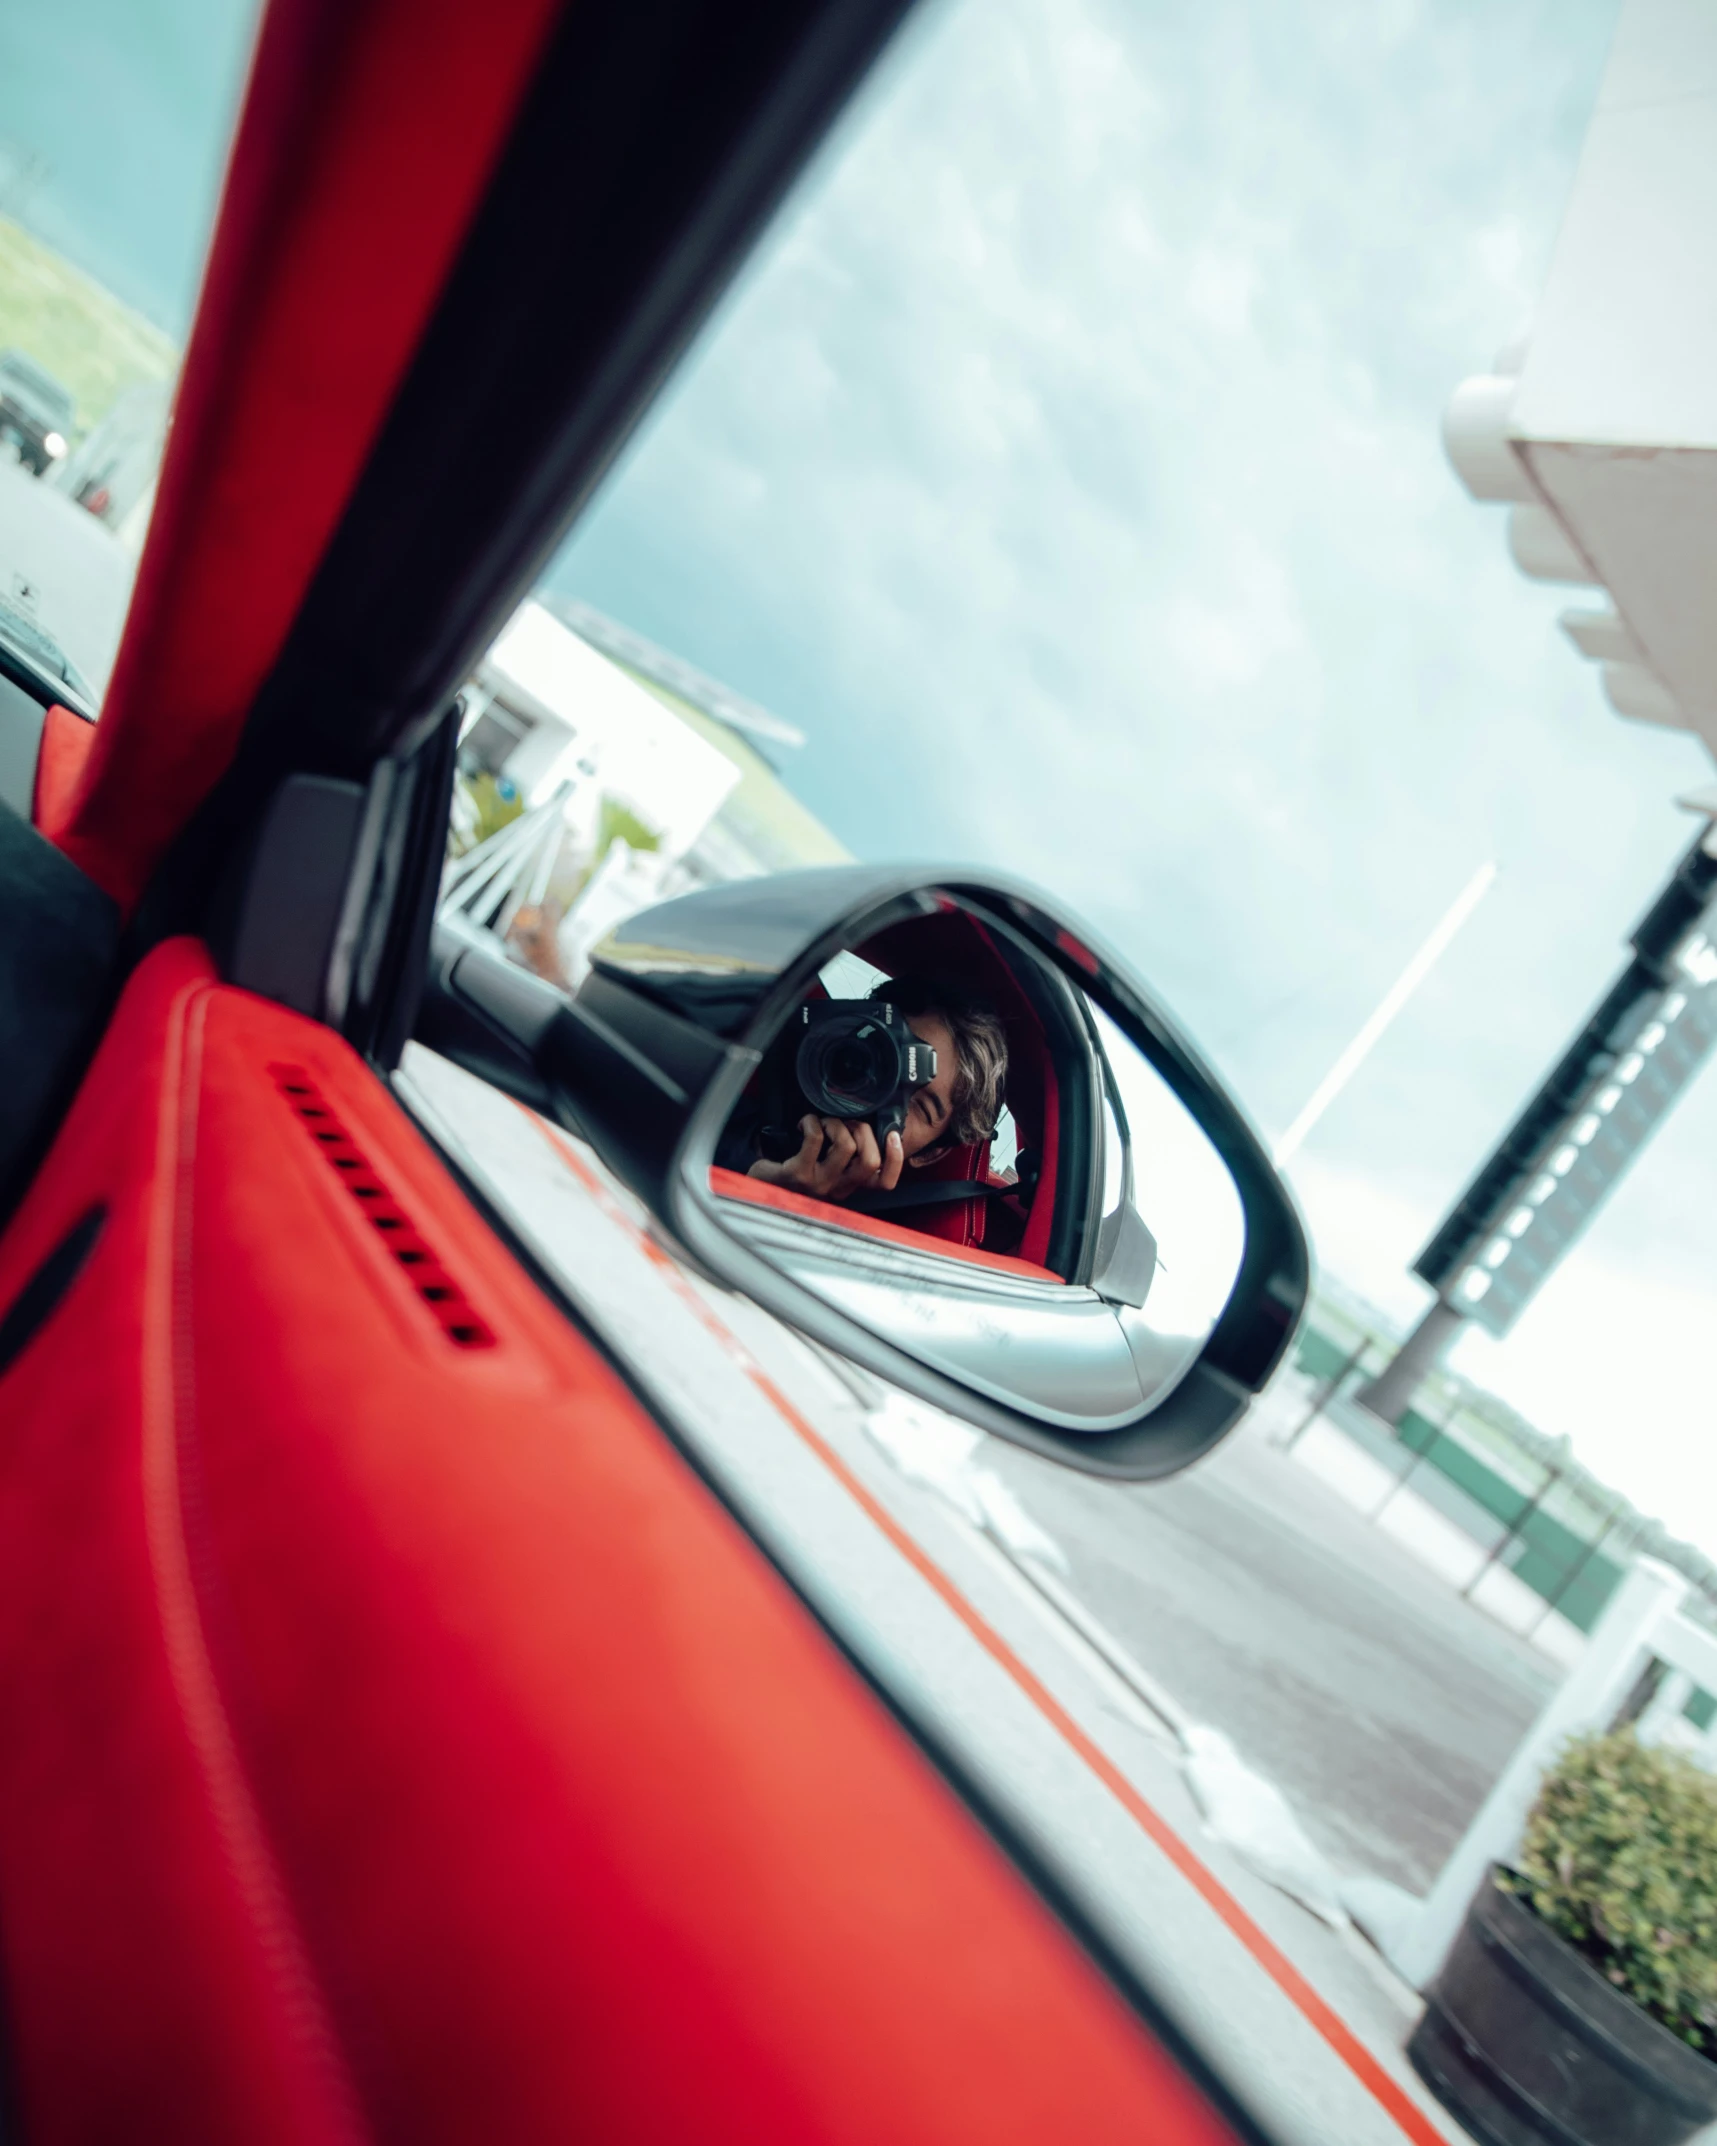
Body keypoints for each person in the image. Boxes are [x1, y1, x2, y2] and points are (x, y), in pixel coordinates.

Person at [747, 976, 1010, 1207]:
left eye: (920, 1106)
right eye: (882, 1058)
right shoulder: (734, 1071)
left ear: (929, 1153)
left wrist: (785, 1201)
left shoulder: (882, 1243)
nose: (881, 1086)